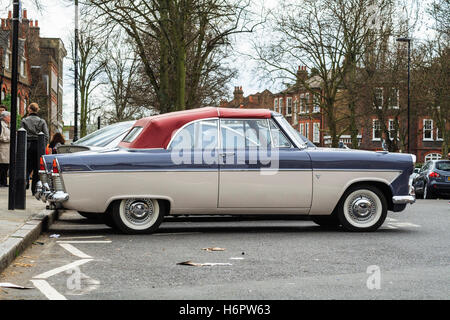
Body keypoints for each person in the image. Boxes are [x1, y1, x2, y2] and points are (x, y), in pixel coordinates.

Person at [21, 103, 49, 195]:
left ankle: (24, 184)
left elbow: (21, 133)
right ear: (37, 110)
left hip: (27, 145)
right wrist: (43, 146)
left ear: (29, 109)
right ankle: (34, 190)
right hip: (38, 145)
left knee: (27, 167)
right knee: (37, 168)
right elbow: (46, 135)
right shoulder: (42, 121)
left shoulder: (24, 120)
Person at [0, 111, 10, 187]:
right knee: (2, 167)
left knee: (6, 167)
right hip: (3, 149)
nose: (10, 118)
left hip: (7, 149)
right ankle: (2, 182)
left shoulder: (8, 125)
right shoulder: (1, 125)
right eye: (8, 116)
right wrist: (9, 138)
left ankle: (4, 182)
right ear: (4, 117)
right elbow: (1, 137)